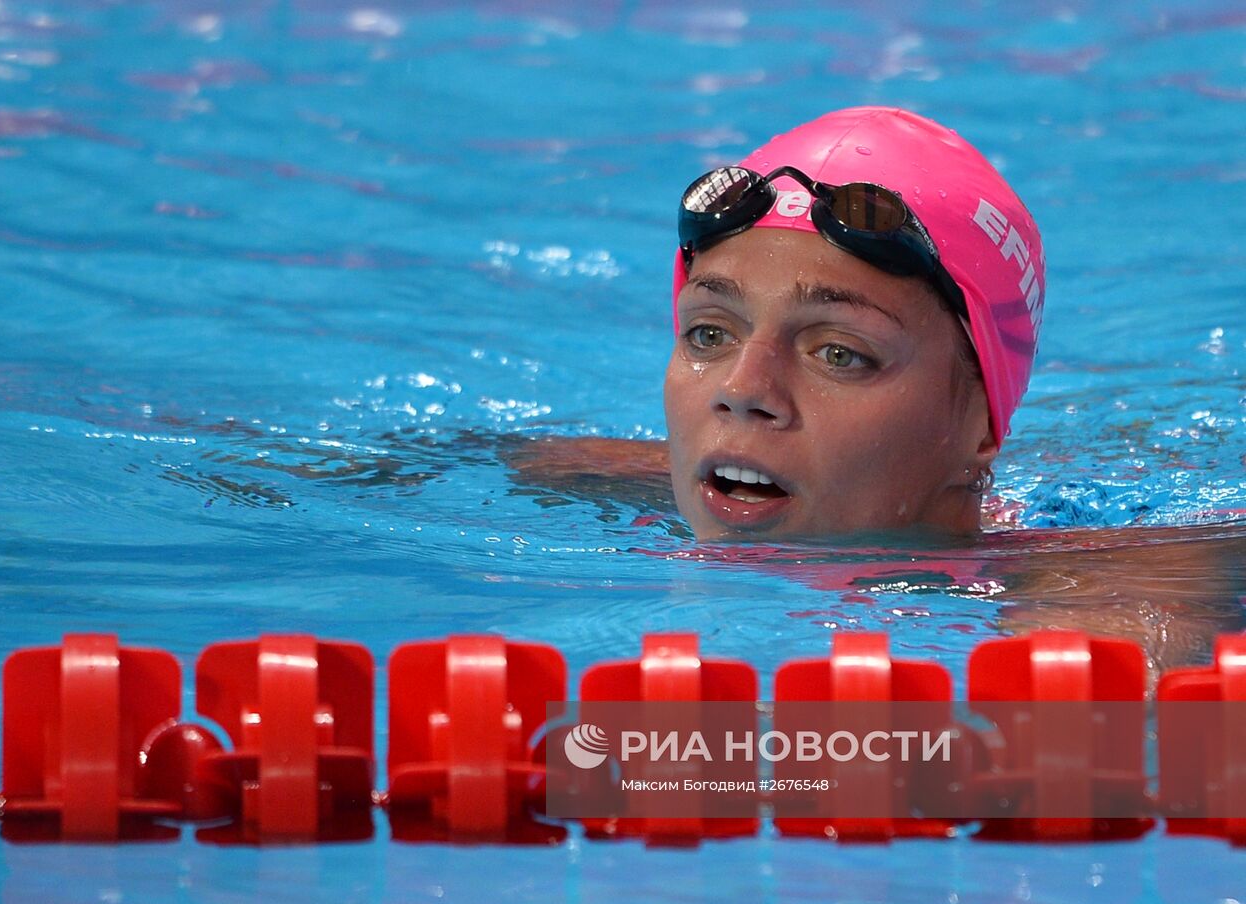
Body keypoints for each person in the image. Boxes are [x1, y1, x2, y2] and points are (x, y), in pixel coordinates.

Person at [503, 106, 1243, 670]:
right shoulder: (614, 479)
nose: (740, 390)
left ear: (981, 424)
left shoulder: (1118, 588)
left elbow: (1079, 769)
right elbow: (499, 459)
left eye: (838, 353)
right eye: (709, 333)